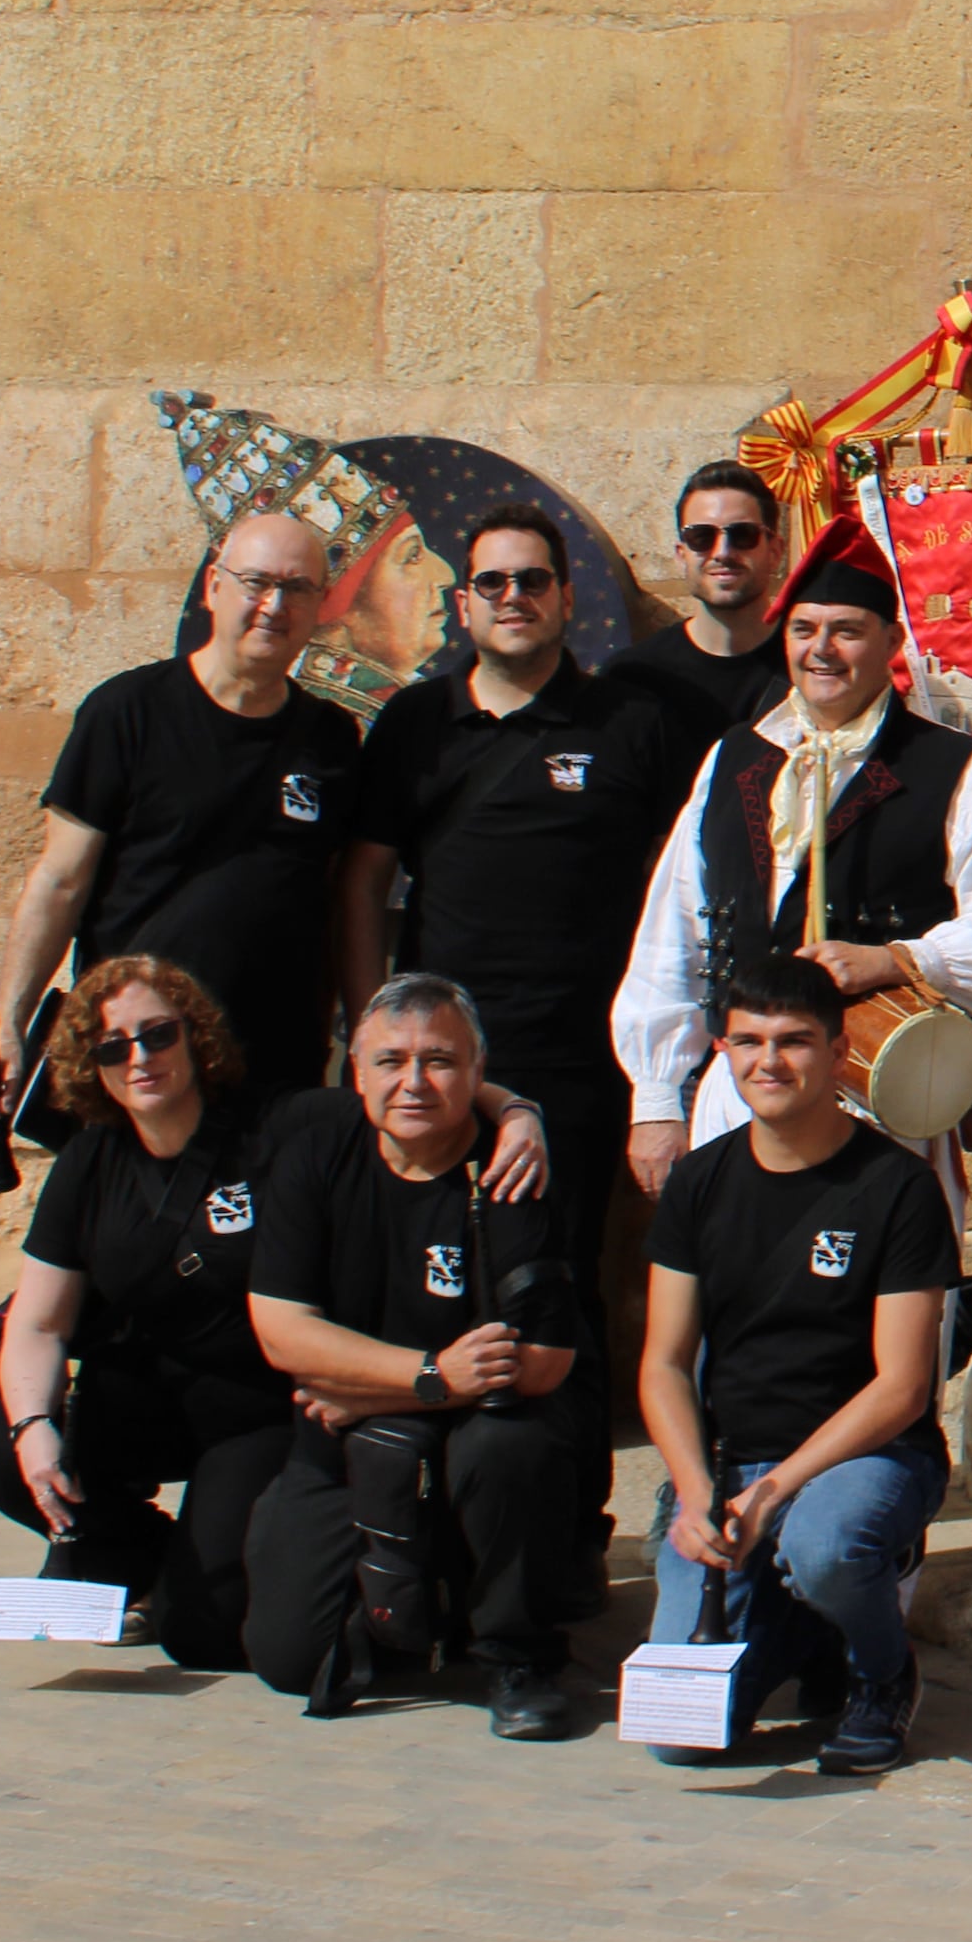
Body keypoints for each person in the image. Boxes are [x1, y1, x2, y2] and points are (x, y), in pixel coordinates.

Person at [337, 499, 693, 1537]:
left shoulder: (628, 723)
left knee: (561, 1288)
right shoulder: (415, 724)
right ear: (463, 602)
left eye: (532, 580)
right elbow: (363, 882)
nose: (513, 598)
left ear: (567, 598)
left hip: (577, 1065)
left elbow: (680, 885)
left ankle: (565, 1523)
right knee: (429, 1279)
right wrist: (370, 1035)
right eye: (492, 583)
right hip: (432, 1073)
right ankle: (429, 1520)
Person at [612, 521, 972, 1171]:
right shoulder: (734, 758)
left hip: (882, 1098)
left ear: (892, 640)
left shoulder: (952, 766)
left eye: (846, 629)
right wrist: (657, 1099)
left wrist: (894, 959)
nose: (822, 650)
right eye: (804, 629)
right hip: (742, 1093)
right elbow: (673, 935)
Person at [241, 978, 593, 1733]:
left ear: (475, 1070)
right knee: (285, 1656)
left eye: (439, 1060)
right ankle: (409, 1610)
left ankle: (517, 1655)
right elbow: (281, 1332)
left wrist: (371, 1387)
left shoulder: (511, 1172)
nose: (413, 1081)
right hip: (346, 1436)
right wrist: (428, 1376)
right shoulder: (315, 1145)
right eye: (390, 1061)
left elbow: (539, 1361)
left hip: (473, 1437)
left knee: (508, 1441)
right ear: (355, 1071)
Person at [634, 956, 957, 1774]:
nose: (767, 1062)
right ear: (721, 1049)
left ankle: (881, 1672)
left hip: (860, 1460)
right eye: (747, 1041)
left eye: (793, 1041)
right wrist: (699, 1494)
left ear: (839, 1052)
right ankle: (811, 1626)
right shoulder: (699, 1181)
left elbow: (902, 1386)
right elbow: (664, 1364)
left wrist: (773, 1492)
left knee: (825, 1542)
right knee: (681, 1739)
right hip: (730, 1464)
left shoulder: (898, 1185)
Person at [0, 508, 362, 1148]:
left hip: (276, 1068)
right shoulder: (126, 712)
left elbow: (345, 897)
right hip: (142, 1064)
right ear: (214, 585)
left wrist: (365, 1029)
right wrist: (9, 1024)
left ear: (322, 605)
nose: (274, 605)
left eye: (297, 589)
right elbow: (60, 881)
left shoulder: (332, 739)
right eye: (256, 582)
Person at [0, 956, 296, 1671]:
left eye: (158, 1035)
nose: (139, 1057)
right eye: (114, 1045)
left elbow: (400, 1106)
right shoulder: (90, 1161)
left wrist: (511, 1109)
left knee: (204, 1635)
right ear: (94, 1063)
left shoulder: (272, 1131)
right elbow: (38, 1321)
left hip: (252, 1410)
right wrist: (34, 1426)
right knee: (1, 1451)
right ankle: (150, 1559)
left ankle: (198, 1570)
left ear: (195, 1035)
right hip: (145, 1398)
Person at [615, 460, 792, 757]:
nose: (722, 552)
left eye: (743, 535)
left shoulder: (812, 668)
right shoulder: (632, 680)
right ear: (681, 555)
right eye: (702, 537)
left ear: (775, 552)